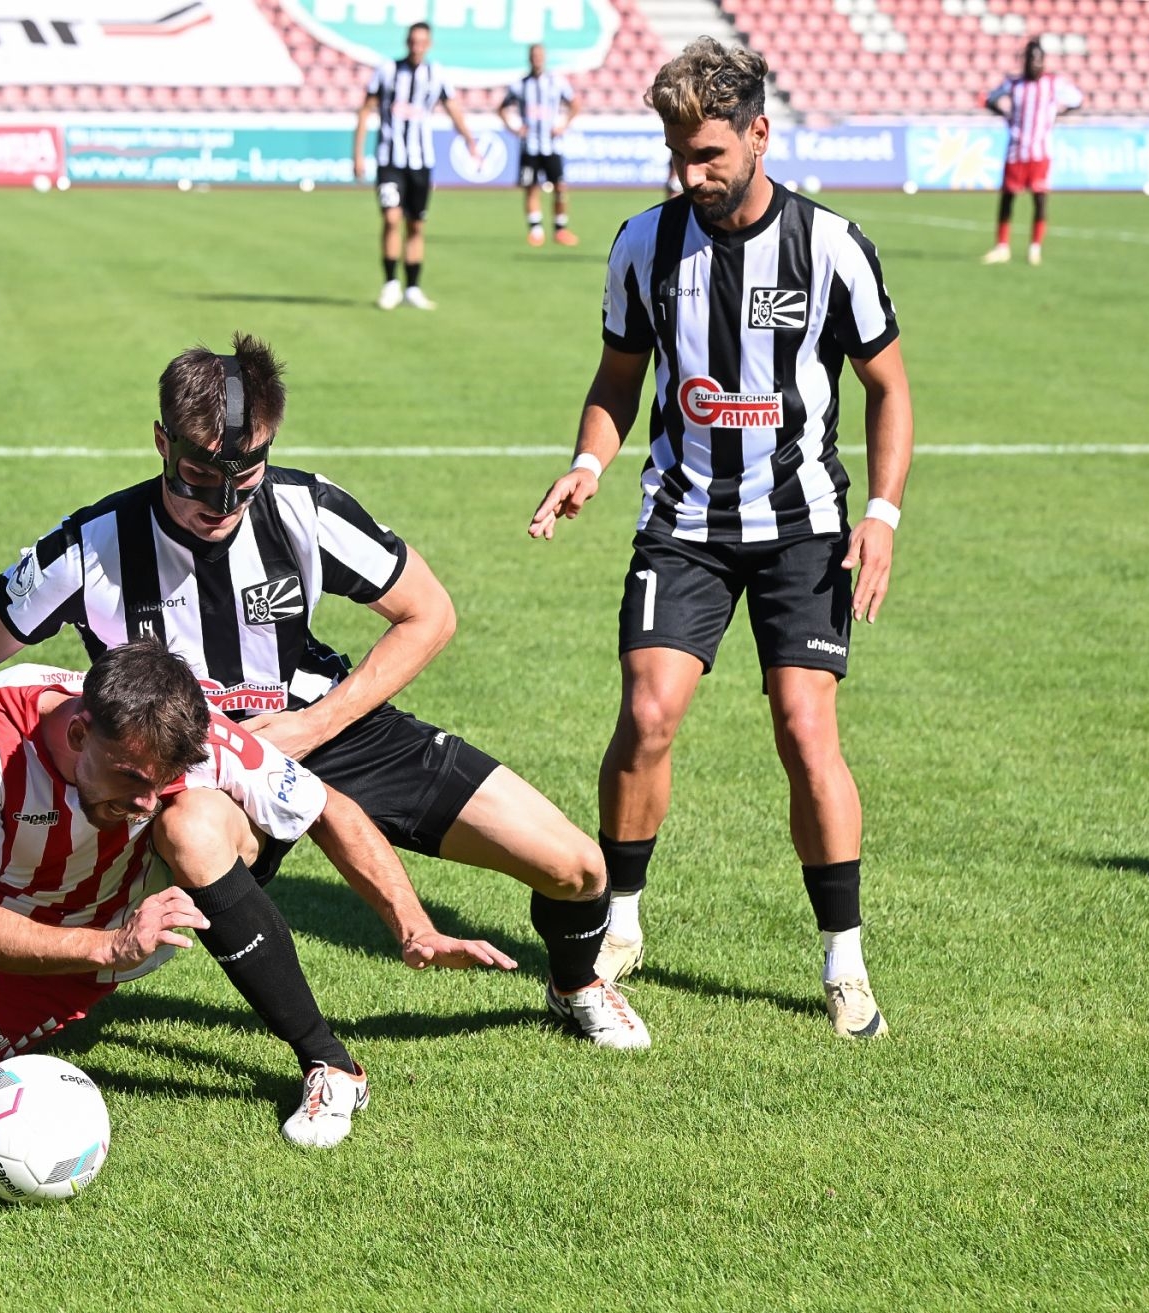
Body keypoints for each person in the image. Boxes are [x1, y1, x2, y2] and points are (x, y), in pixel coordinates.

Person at [0, 334, 651, 1049]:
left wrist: (315, 724)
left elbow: (429, 615)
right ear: (160, 442)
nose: (219, 503)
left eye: (242, 478)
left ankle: (575, 982)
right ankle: (314, 1050)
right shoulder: (91, 547)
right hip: (200, 766)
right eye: (197, 476)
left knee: (577, 867)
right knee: (188, 829)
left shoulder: (304, 508)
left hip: (334, 725)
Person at [0, 641, 513, 1148]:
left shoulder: (187, 741)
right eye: (132, 780)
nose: (147, 802)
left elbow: (328, 807)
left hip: (71, 950)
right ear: (79, 732)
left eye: (162, 782)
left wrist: (411, 925)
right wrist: (115, 944)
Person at [527, 37, 915, 1039]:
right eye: (677, 155)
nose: (690, 175)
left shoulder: (831, 246)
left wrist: (881, 515)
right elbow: (619, 377)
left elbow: (889, 387)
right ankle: (619, 920)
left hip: (804, 526)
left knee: (804, 728)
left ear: (759, 135)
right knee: (648, 712)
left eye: (708, 154)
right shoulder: (643, 244)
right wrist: (588, 462)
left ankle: (844, 959)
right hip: (684, 521)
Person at [352, 22, 481, 310]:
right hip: (390, 160)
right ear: (406, 42)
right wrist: (357, 153)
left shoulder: (436, 74)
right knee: (391, 218)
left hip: (421, 162)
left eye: (422, 42)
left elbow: (452, 108)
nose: (416, 47)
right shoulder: (387, 71)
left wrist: (469, 140)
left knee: (416, 225)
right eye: (412, 41)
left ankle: (412, 287)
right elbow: (365, 109)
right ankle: (390, 284)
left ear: (429, 45)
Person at [982, 40, 1082, 266]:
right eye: (1030, 59)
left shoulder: (1052, 84)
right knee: (1007, 198)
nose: (1034, 64)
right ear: (1024, 61)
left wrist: (1057, 115)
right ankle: (1002, 247)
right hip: (1016, 150)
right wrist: (1005, 115)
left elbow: (1077, 100)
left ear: (1043, 62)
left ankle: (1035, 248)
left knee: (1040, 199)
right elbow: (990, 99)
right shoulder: (1013, 84)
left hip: (1040, 151)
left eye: (1038, 60)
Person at [498, 44, 580, 247]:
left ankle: (560, 229)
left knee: (560, 187)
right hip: (530, 146)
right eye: (534, 55)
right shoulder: (520, 85)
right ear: (529, 58)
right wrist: (514, 128)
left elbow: (575, 104)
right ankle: (536, 230)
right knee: (531, 187)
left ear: (544, 57)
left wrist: (563, 125)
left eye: (540, 55)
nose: (537, 58)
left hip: (551, 146)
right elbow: (502, 108)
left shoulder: (556, 82)